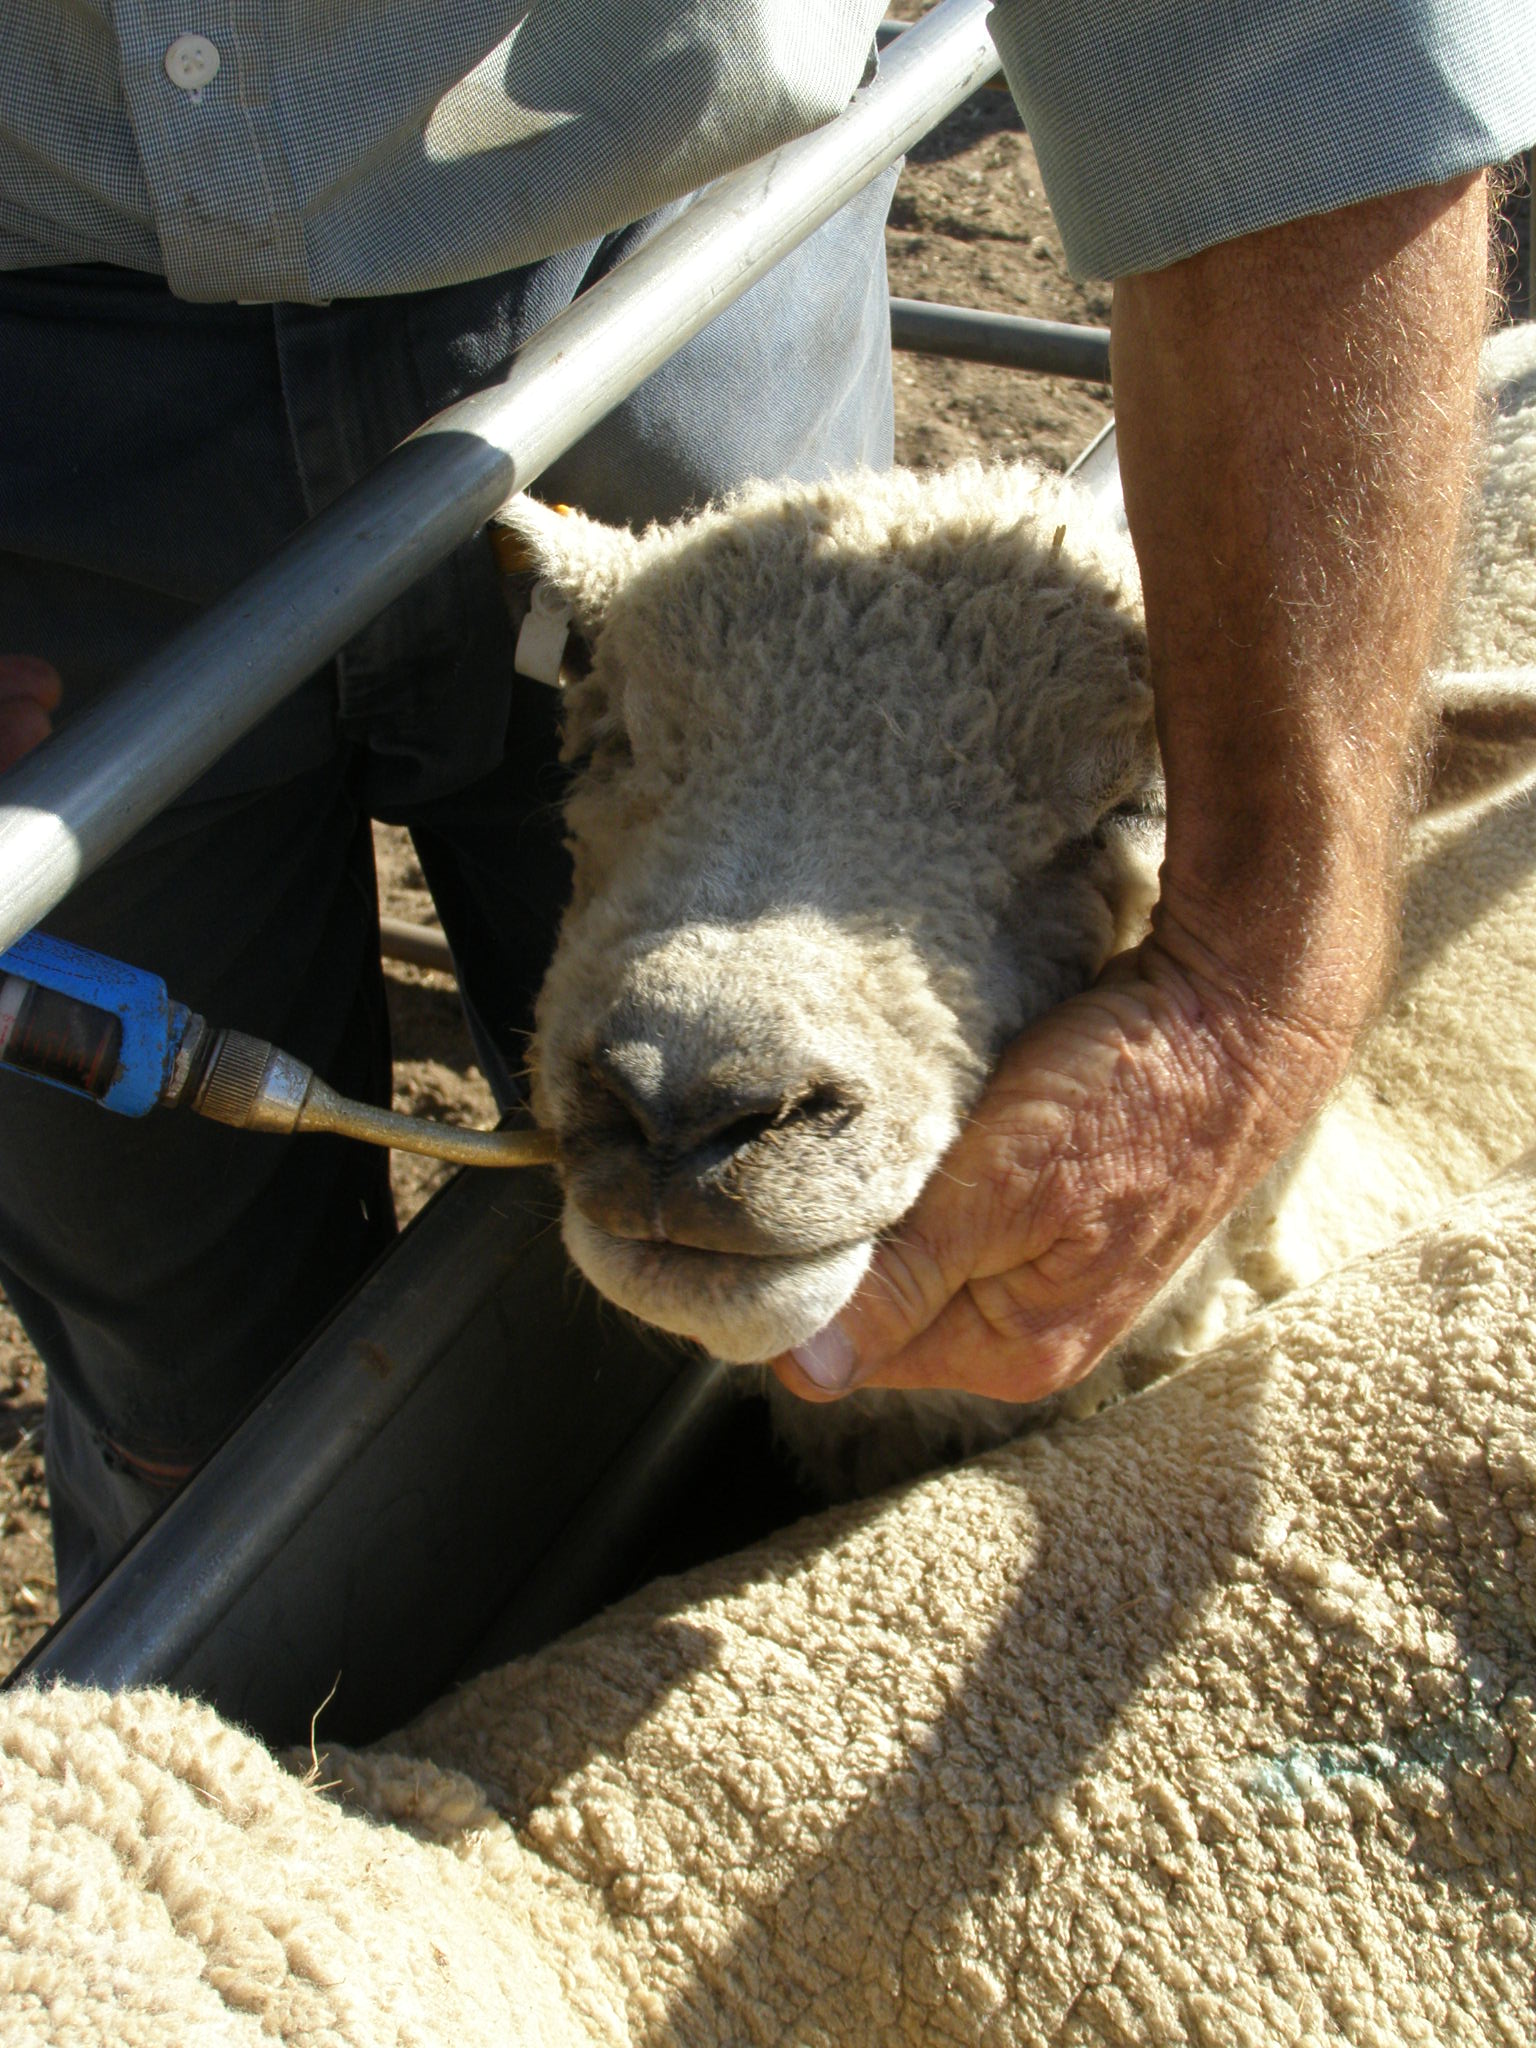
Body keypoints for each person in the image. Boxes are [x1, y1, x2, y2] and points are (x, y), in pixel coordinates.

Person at [0, 0, 1532, 1600]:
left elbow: (1302, 47)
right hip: (37, 401)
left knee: (826, 1224)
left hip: (687, 248)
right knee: (188, 1367)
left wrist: (1258, 972)